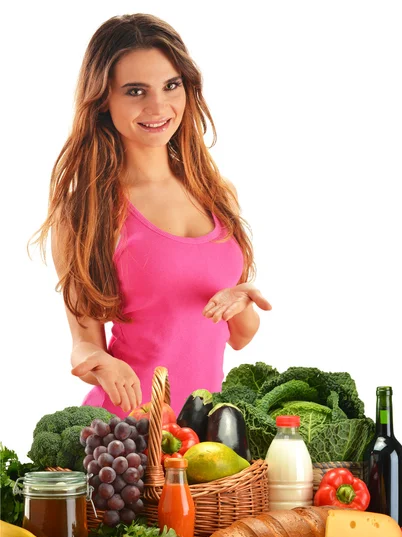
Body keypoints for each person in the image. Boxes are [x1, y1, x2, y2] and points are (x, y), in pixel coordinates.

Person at [29, 13, 272, 419]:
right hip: (126, 432)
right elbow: (83, 343)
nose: (158, 106)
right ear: (103, 99)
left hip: (201, 439)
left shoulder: (215, 193)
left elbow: (241, 337)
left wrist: (240, 299)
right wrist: (101, 364)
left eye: (171, 85)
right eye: (136, 91)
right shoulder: (85, 213)